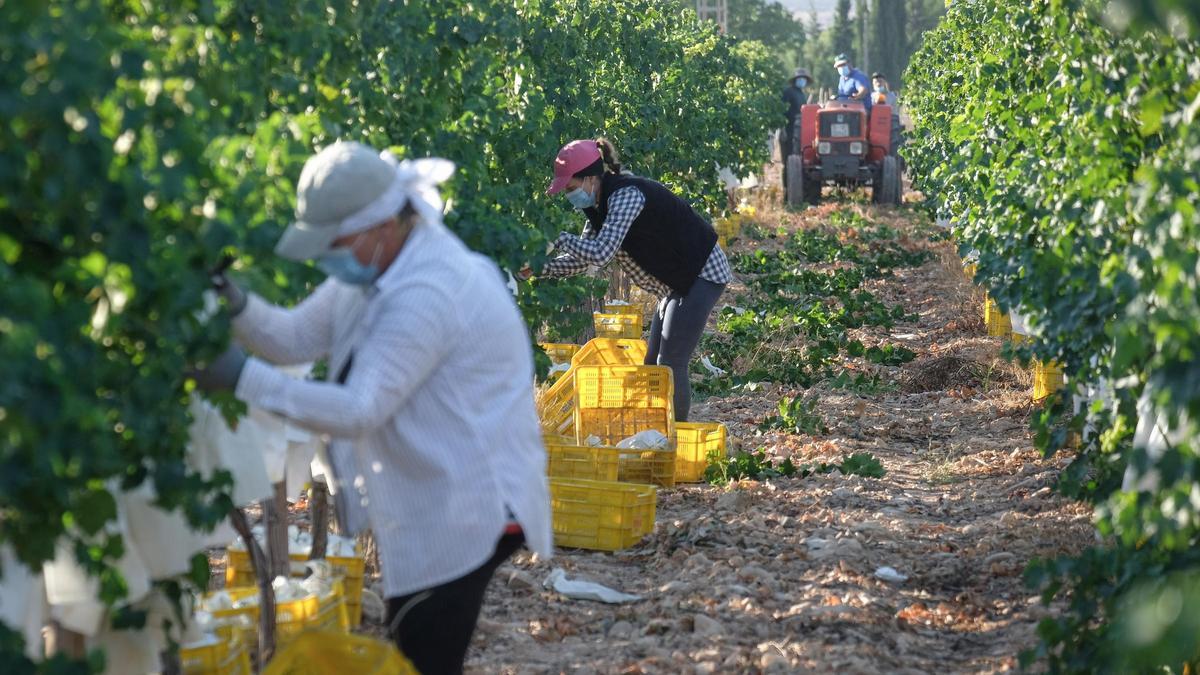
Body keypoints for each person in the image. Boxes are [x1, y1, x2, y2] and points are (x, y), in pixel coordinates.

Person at [191, 141, 552, 675]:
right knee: (417, 641)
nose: (326, 259)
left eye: (333, 243)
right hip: (437, 487)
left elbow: (360, 409)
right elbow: (293, 337)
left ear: (382, 225)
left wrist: (241, 377)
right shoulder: (374, 271)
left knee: (422, 646)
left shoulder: (430, 289)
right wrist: (234, 301)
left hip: (472, 503)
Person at [537, 138, 730, 422]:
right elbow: (583, 258)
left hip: (702, 272)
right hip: (676, 282)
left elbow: (602, 253)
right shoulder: (597, 209)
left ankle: (674, 440)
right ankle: (657, 429)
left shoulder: (626, 195)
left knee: (670, 363)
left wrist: (558, 238)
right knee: (653, 364)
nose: (569, 196)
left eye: (570, 188)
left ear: (590, 179)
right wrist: (540, 268)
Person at [781, 67, 812, 187]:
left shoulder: (801, 94)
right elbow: (782, 111)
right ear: (795, 80)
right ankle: (787, 190)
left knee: (798, 160)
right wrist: (782, 128)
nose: (802, 81)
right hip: (788, 130)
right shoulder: (788, 92)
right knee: (789, 161)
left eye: (803, 79)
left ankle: (797, 187)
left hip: (799, 132)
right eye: (800, 79)